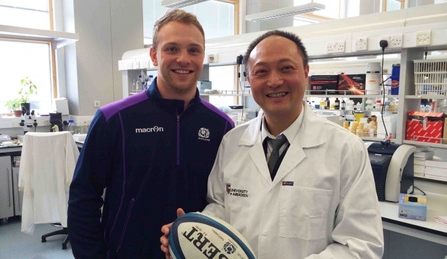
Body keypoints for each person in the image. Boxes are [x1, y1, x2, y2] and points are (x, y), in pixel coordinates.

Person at [161, 30, 384, 258]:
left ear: (306, 72)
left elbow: (361, 245)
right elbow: (220, 208)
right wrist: (190, 236)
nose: (275, 81)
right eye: (261, 71)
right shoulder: (232, 142)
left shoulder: (346, 149)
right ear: (250, 80)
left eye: (286, 68)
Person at [68, 8, 234, 258]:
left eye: (194, 50)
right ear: (154, 56)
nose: (183, 59)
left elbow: (225, 201)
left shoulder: (221, 126)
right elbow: (84, 197)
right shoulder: (114, 120)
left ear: (202, 57)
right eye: (172, 49)